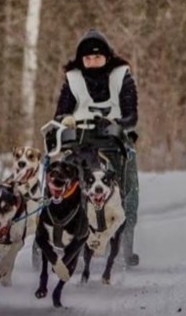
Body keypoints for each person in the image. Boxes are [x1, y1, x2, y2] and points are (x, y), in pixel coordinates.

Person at [53, 29, 140, 266]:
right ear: (81, 59)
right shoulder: (73, 78)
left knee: (128, 186)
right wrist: (64, 121)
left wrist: (117, 125)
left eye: (97, 57)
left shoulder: (122, 76)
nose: (92, 62)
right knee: (62, 174)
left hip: (116, 138)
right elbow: (61, 112)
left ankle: (125, 243)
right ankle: (59, 232)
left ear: (107, 57)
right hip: (80, 139)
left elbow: (132, 115)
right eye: (87, 58)